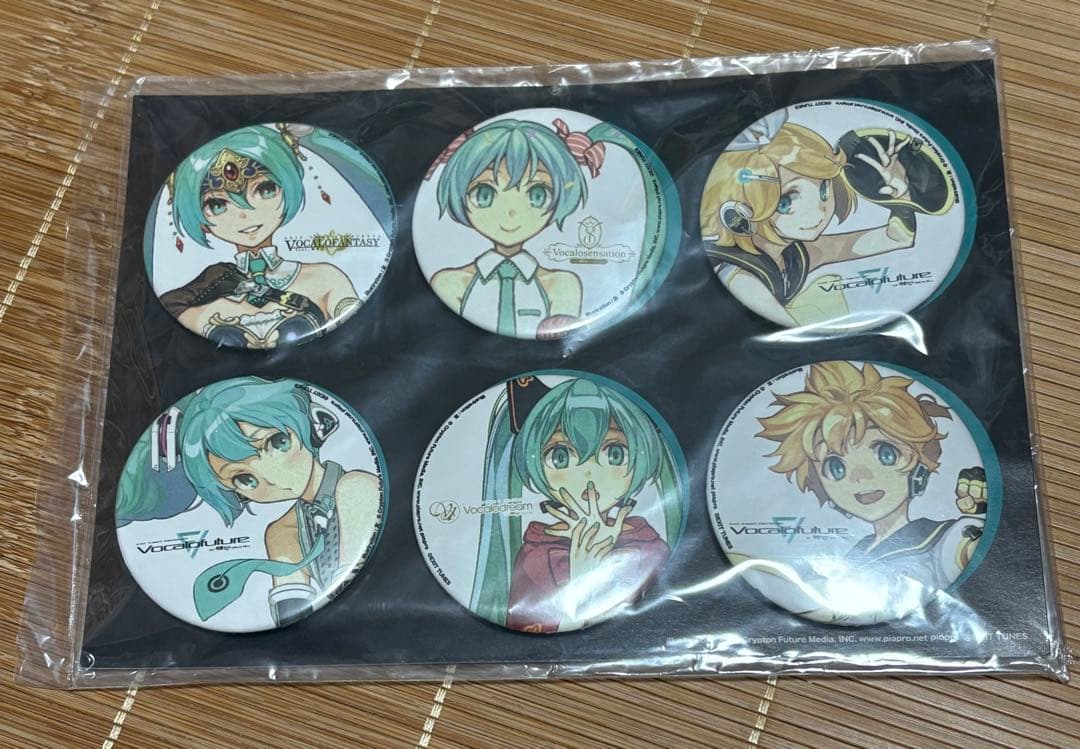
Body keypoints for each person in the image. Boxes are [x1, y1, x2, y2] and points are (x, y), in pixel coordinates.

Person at [117, 377, 382, 626]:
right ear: (236, 493)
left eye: (277, 442)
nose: (273, 476)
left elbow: (355, 594)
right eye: (244, 478)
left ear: (314, 426)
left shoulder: (355, 487)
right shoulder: (281, 532)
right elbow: (289, 610)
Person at [756, 361, 985, 615]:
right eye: (836, 467)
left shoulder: (945, 537)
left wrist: (978, 514)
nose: (860, 477)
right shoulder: (851, 555)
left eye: (886, 453)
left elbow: (963, 549)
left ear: (919, 459)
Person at [700, 109, 955, 325]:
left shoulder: (797, 255)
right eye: (785, 202)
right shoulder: (743, 279)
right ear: (739, 213)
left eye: (823, 190)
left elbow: (895, 238)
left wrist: (901, 199)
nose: (819, 212)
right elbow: (800, 335)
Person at [469, 376, 684, 632]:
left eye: (615, 454)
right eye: (560, 456)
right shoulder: (535, 556)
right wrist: (582, 574)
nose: (589, 475)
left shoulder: (650, 545)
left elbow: (660, 622)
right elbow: (532, 636)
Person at [157, 124, 380, 348]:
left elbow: (363, 333)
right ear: (200, 220)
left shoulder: (325, 278)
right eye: (217, 205)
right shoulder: (195, 294)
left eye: (265, 190)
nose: (245, 214)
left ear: (288, 188)